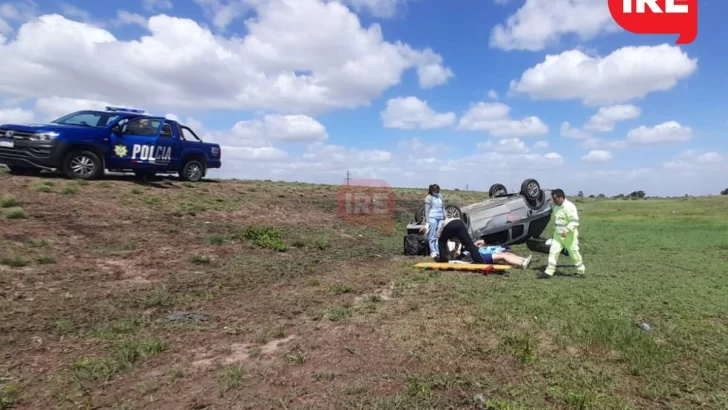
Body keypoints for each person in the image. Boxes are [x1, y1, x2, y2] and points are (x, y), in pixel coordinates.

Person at [537, 189, 585, 279]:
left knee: (574, 253)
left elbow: (574, 221)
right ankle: (549, 272)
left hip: (569, 236)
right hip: (558, 236)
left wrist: (567, 230)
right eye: (553, 199)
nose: (554, 201)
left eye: (555, 199)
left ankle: (580, 271)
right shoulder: (557, 207)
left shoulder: (569, 207)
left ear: (561, 197)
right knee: (553, 252)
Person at [423, 184, 446, 258]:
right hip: (432, 217)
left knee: (439, 235)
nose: (437, 192)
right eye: (436, 191)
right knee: (432, 235)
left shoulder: (440, 196)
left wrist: (445, 217)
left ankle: (439, 250)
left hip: (440, 218)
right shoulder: (428, 198)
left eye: (438, 191)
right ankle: (433, 252)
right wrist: (427, 222)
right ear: (432, 191)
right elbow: (426, 210)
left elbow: (443, 208)